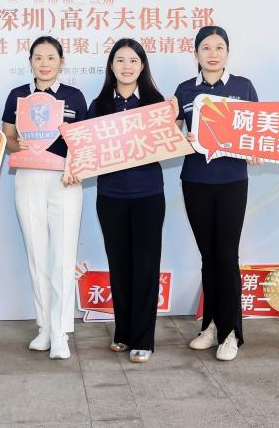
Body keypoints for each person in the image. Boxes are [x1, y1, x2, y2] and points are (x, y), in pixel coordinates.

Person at [175, 25, 260, 362]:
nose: (213, 53)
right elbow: (171, 137)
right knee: (208, 257)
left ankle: (231, 333)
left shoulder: (243, 86)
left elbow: (257, 129)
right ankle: (210, 326)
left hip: (232, 182)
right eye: (206, 47)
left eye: (219, 47)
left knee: (226, 256)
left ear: (227, 52)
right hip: (195, 180)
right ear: (195, 53)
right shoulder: (184, 90)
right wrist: (184, 141)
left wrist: (254, 149)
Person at [1, 36, 88, 360]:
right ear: (31, 62)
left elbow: (83, 141)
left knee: (62, 256)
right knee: (37, 255)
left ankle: (61, 331)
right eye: (38, 57)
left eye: (51, 57)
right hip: (28, 178)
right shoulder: (17, 95)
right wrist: (18, 145)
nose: (44, 63)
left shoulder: (74, 96)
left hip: (64, 179)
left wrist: (74, 166)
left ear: (61, 62)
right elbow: (7, 137)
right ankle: (45, 327)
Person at [85, 38, 168, 364]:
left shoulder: (155, 102)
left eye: (133, 60)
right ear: (111, 66)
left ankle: (143, 339)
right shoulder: (99, 104)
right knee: (119, 266)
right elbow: (88, 149)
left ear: (142, 66)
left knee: (145, 267)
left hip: (148, 196)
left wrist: (174, 122)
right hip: (111, 197)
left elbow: (167, 144)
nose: (127, 66)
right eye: (120, 60)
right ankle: (123, 332)